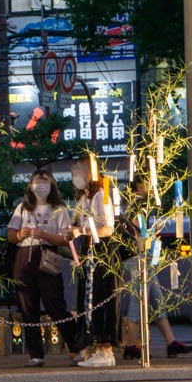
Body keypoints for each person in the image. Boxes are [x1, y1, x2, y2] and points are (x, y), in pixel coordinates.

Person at [7, 169, 82, 367]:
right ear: (30, 186)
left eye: (45, 182)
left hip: (47, 256)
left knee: (55, 305)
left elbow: (67, 237)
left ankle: (76, 348)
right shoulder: (22, 208)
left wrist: (45, 235)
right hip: (24, 257)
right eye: (37, 182)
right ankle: (36, 354)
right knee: (27, 307)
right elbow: (10, 234)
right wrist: (20, 234)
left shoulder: (59, 209)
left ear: (52, 186)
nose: (41, 187)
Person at [120, 177, 192, 359]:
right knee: (139, 299)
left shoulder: (129, 203)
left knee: (156, 298)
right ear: (139, 185)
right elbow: (139, 226)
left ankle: (171, 342)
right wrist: (151, 232)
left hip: (137, 256)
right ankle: (131, 345)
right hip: (135, 257)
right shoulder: (137, 203)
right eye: (148, 183)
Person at [71, 156, 118, 367]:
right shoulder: (84, 198)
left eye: (77, 172)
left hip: (101, 252)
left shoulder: (102, 193)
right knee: (86, 299)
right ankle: (90, 345)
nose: (74, 177)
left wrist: (81, 230)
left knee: (100, 297)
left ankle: (105, 349)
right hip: (87, 251)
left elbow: (108, 228)